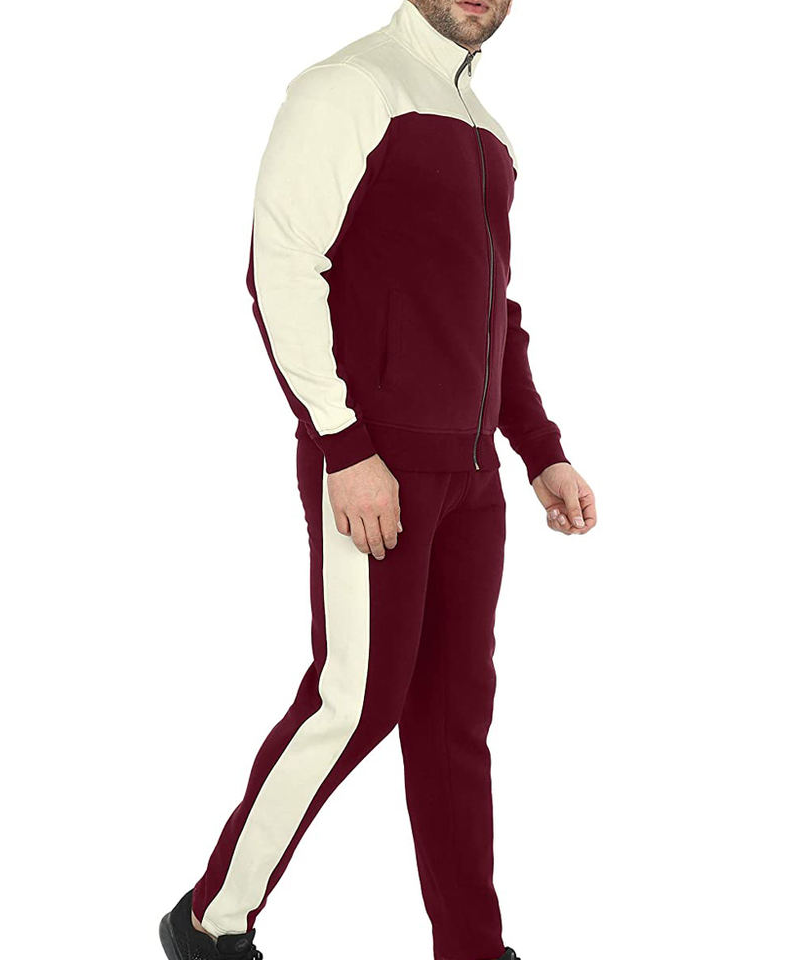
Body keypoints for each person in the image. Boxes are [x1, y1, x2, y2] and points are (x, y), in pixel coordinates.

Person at [159, 2, 596, 958]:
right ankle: (209, 920)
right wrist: (345, 446)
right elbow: (280, 267)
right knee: (354, 703)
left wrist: (540, 448)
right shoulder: (350, 87)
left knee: (453, 721)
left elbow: (492, 310)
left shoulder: (486, 127)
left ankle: (472, 948)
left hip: (471, 479)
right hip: (377, 466)